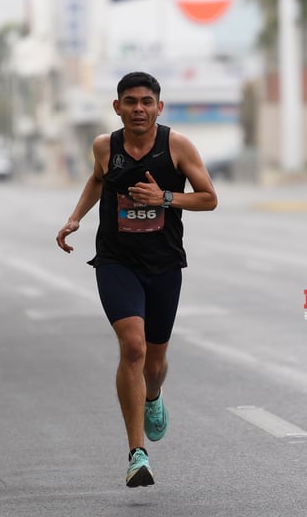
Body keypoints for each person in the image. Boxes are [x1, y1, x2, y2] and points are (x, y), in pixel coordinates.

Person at [56, 71, 217, 488]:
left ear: (159, 107)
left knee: (156, 361)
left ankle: (153, 395)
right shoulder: (104, 146)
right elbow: (97, 178)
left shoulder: (177, 146)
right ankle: (136, 453)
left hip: (163, 262)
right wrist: (76, 218)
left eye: (147, 101)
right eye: (130, 101)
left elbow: (209, 198)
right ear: (117, 107)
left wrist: (163, 197)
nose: (139, 109)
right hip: (116, 260)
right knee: (132, 347)